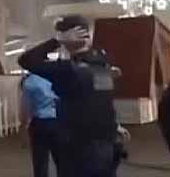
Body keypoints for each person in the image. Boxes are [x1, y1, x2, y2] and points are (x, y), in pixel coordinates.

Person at [19, 15, 127, 177]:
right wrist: (115, 126)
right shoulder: (102, 65)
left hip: (77, 151)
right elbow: (103, 103)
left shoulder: (67, 71)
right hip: (107, 148)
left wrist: (57, 40)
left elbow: (26, 60)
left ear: (67, 37)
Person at [21, 72, 64, 177]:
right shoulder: (57, 76)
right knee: (62, 160)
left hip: (39, 123)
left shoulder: (30, 81)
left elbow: (26, 108)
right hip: (58, 122)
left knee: (40, 162)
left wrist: (24, 125)